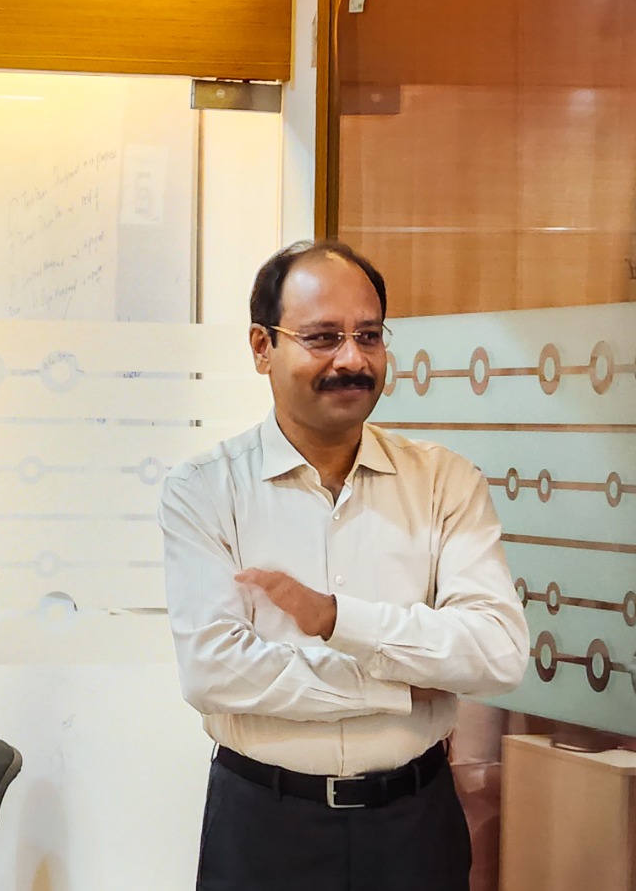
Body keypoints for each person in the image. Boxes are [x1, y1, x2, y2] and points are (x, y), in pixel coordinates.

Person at [159, 240, 527, 891]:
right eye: (323, 337)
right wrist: (398, 686)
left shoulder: (445, 482)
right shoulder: (205, 489)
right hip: (264, 825)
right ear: (262, 347)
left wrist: (337, 620)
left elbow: (496, 653)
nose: (353, 360)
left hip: (415, 822)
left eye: (369, 336)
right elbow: (215, 673)